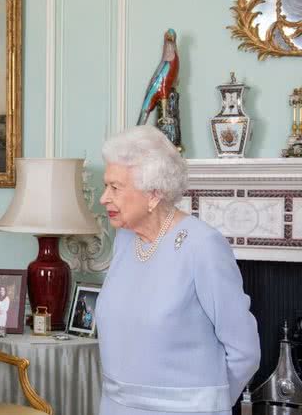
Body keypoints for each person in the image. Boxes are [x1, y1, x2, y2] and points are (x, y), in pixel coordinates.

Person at [95, 125, 260, 415]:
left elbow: (245, 351)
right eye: (106, 185)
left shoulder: (203, 245)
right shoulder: (125, 238)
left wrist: (208, 405)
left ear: (154, 194)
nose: (104, 198)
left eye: (115, 188)